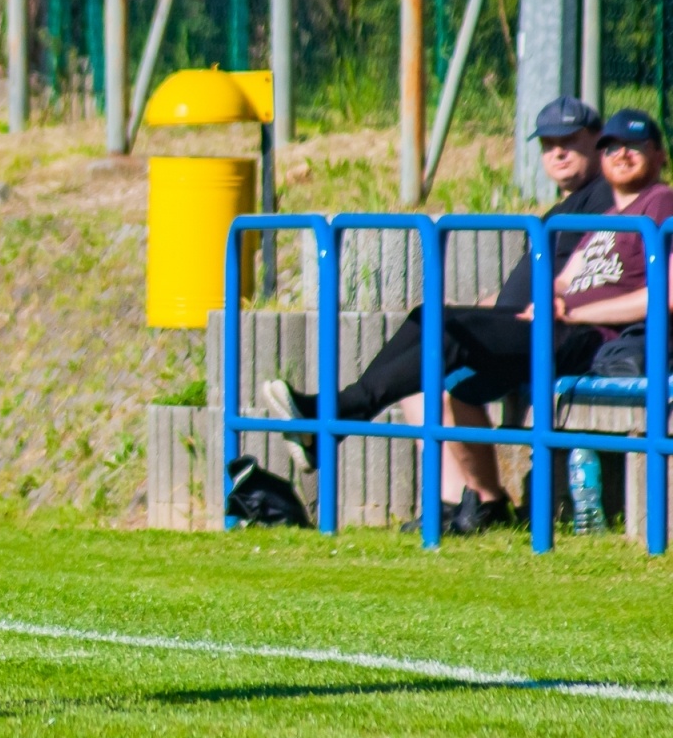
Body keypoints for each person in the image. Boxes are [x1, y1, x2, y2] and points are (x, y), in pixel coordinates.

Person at [263, 108, 673, 531]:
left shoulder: (661, 201)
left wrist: (573, 311)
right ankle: (332, 417)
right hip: (554, 325)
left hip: (592, 337)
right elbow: (566, 279)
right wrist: (547, 297)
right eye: (613, 146)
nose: (622, 154)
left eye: (635, 146)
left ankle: (334, 415)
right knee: (431, 317)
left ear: (659, 154)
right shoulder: (606, 219)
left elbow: (667, 295)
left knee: (453, 336)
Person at [398, 97, 613, 533]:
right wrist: (494, 306)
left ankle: (485, 503)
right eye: (548, 143)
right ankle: (462, 501)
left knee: (445, 376)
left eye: (569, 141)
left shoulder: (610, 196)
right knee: (418, 378)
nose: (557, 152)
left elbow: (605, 273)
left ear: (598, 141)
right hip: (526, 327)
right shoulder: (565, 207)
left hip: (571, 335)